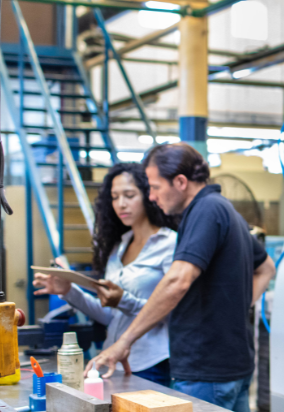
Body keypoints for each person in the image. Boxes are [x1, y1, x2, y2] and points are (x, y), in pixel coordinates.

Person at [85, 143, 276, 412]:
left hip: (206, 370)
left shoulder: (205, 210)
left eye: (155, 187)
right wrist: (234, 307)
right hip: (232, 366)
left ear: (181, 182)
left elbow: (178, 281)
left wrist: (123, 342)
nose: (151, 196)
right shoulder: (226, 209)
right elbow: (266, 267)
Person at [33, 163, 178, 387]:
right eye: (115, 196)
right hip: (114, 360)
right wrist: (70, 291)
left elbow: (171, 311)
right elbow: (110, 316)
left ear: (149, 195)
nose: (121, 204)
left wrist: (123, 300)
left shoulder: (169, 244)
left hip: (152, 363)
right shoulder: (119, 246)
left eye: (129, 195)